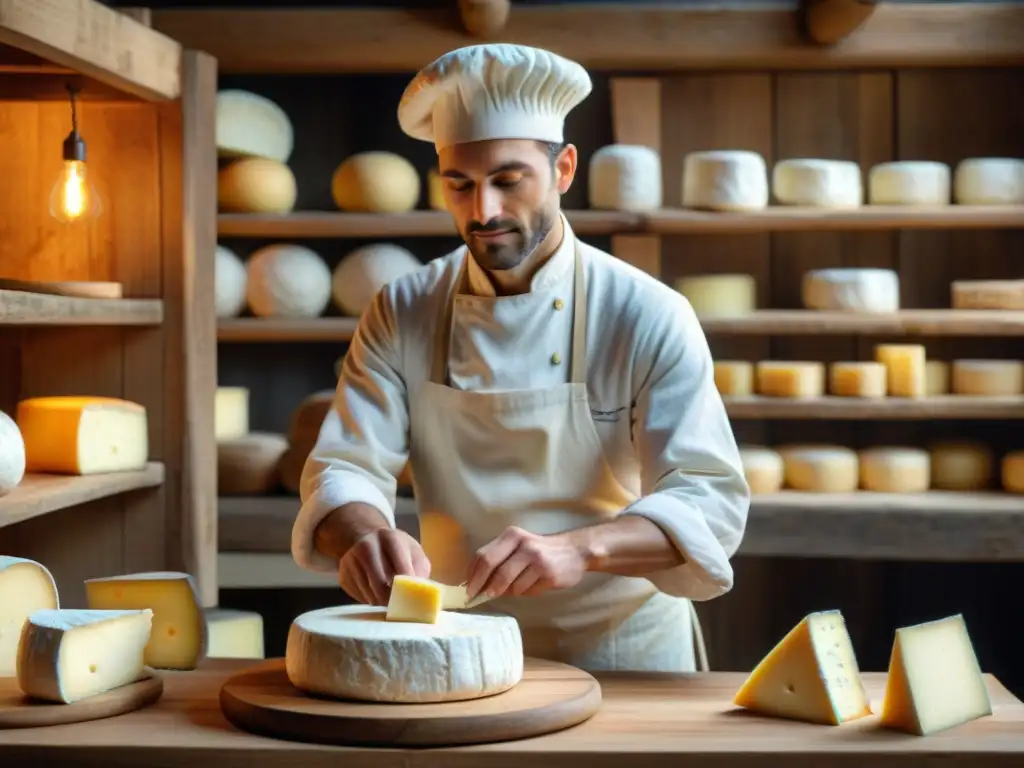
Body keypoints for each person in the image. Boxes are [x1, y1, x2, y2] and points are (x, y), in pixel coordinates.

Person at [291, 43, 750, 673]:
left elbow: (708, 499)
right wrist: (367, 534)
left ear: (563, 169)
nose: (484, 212)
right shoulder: (403, 310)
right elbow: (345, 465)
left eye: (509, 181)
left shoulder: (646, 313)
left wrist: (582, 549)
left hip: (623, 651)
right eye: (460, 185)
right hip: (455, 644)